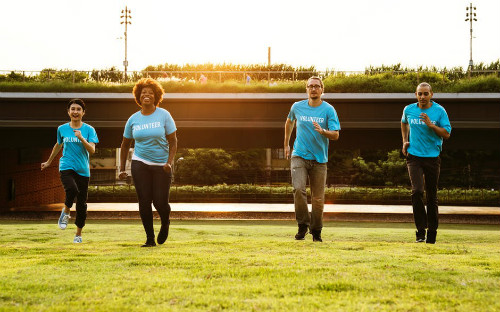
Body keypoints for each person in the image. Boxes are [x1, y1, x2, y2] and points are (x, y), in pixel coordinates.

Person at [119, 78, 178, 247]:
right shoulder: (133, 119)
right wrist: (122, 168)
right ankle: (150, 239)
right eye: (143, 92)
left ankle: (165, 221)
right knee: (144, 200)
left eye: (150, 93)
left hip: (161, 165)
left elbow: (173, 141)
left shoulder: (164, 115)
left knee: (160, 202)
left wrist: (169, 162)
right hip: (140, 162)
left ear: (156, 96)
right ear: (138, 96)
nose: (147, 95)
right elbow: (125, 145)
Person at [284, 77, 340, 242]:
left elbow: (336, 134)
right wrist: (286, 144)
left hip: (319, 160)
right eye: (310, 86)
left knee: (317, 198)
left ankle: (316, 231)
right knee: (298, 189)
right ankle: (303, 225)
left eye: (317, 86)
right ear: (306, 89)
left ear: (322, 90)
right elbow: (289, 122)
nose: (313, 89)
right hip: (299, 155)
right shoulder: (297, 107)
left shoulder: (329, 110)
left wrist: (323, 131)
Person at [41, 98, 99, 243]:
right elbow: (58, 145)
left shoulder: (89, 130)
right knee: (72, 189)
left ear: (83, 112)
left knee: (81, 205)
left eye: (78, 109)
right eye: (72, 109)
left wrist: (81, 138)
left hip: (83, 170)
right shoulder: (62, 129)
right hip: (66, 166)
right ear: (68, 112)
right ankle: (66, 211)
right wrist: (48, 162)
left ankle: (78, 234)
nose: (75, 112)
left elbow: (92, 150)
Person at [401, 82, 451, 244]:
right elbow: (403, 122)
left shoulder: (439, 111)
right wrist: (404, 141)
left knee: (432, 195)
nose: (422, 97)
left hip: (432, 157)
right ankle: (420, 232)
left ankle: (432, 233)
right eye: (419, 94)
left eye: (425, 94)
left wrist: (431, 125)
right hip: (414, 156)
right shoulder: (409, 109)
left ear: (431, 94)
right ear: (416, 94)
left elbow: (447, 133)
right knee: (417, 191)